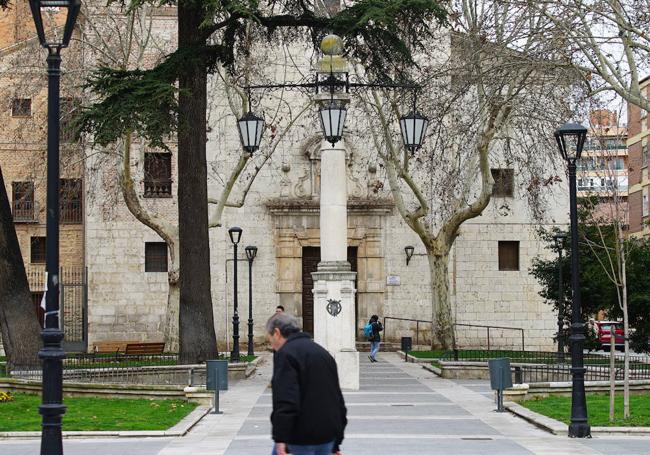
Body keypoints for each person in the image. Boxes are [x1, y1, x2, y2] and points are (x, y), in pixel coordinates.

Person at [267, 313, 347, 455]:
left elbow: (286, 401)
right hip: (327, 437)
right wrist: (336, 441)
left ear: (277, 333)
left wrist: (280, 439)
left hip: (299, 438)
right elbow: (337, 399)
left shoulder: (286, 354)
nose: (271, 344)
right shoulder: (323, 354)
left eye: (270, 338)